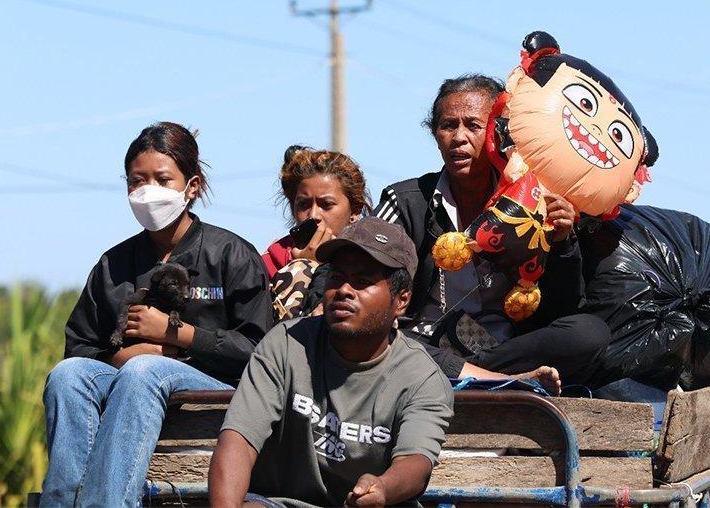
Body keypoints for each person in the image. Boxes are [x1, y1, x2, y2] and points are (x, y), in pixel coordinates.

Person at [41, 122, 273, 508]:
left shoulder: (231, 253)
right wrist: (118, 356)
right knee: (67, 376)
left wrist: (174, 335)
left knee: (144, 370)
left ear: (192, 186)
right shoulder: (114, 263)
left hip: (215, 389)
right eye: (137, 180)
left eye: (162, 179)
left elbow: (258, 350)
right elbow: (79, 344)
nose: (148, 191)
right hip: (130, 376)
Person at [374, 75, 611, 394]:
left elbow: (561, 310)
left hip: (505, 353)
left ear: (500, 134)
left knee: (589, 332)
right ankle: (493, 382)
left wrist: (563, 242)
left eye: (473, 125)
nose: (458, 137)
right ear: (435, 134)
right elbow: (370, 282)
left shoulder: (535, 202)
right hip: (422, 351)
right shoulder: (406, 201)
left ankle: (476, 376)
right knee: (383, 337)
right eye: (448, 126)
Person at [209, 217, 453, 508]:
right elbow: (238, 440)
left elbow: (416, 462)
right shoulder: (286, 343)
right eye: (337, 277)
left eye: (363, 281)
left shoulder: (421, 377)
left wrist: (383, 488)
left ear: (401, 300)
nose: (344, 290)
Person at [262, 145, 371, 320]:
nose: (313, 215)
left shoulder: (371, 258)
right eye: (303, 204)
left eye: (326, 204)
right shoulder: (270, 261)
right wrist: (303, 267)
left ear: (355, 210)